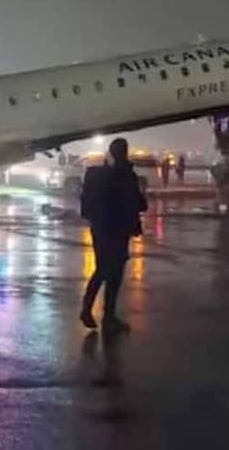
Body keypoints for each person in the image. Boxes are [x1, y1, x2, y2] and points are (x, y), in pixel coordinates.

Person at [79, 138, 148, 333]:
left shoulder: (98, 175)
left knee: (101, 270)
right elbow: (140, 204)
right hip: (118, 231)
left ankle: (87, 308)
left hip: (100, 228)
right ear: (125, 152)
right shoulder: (126, 175)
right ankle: (108, 316)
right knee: (114, 274)